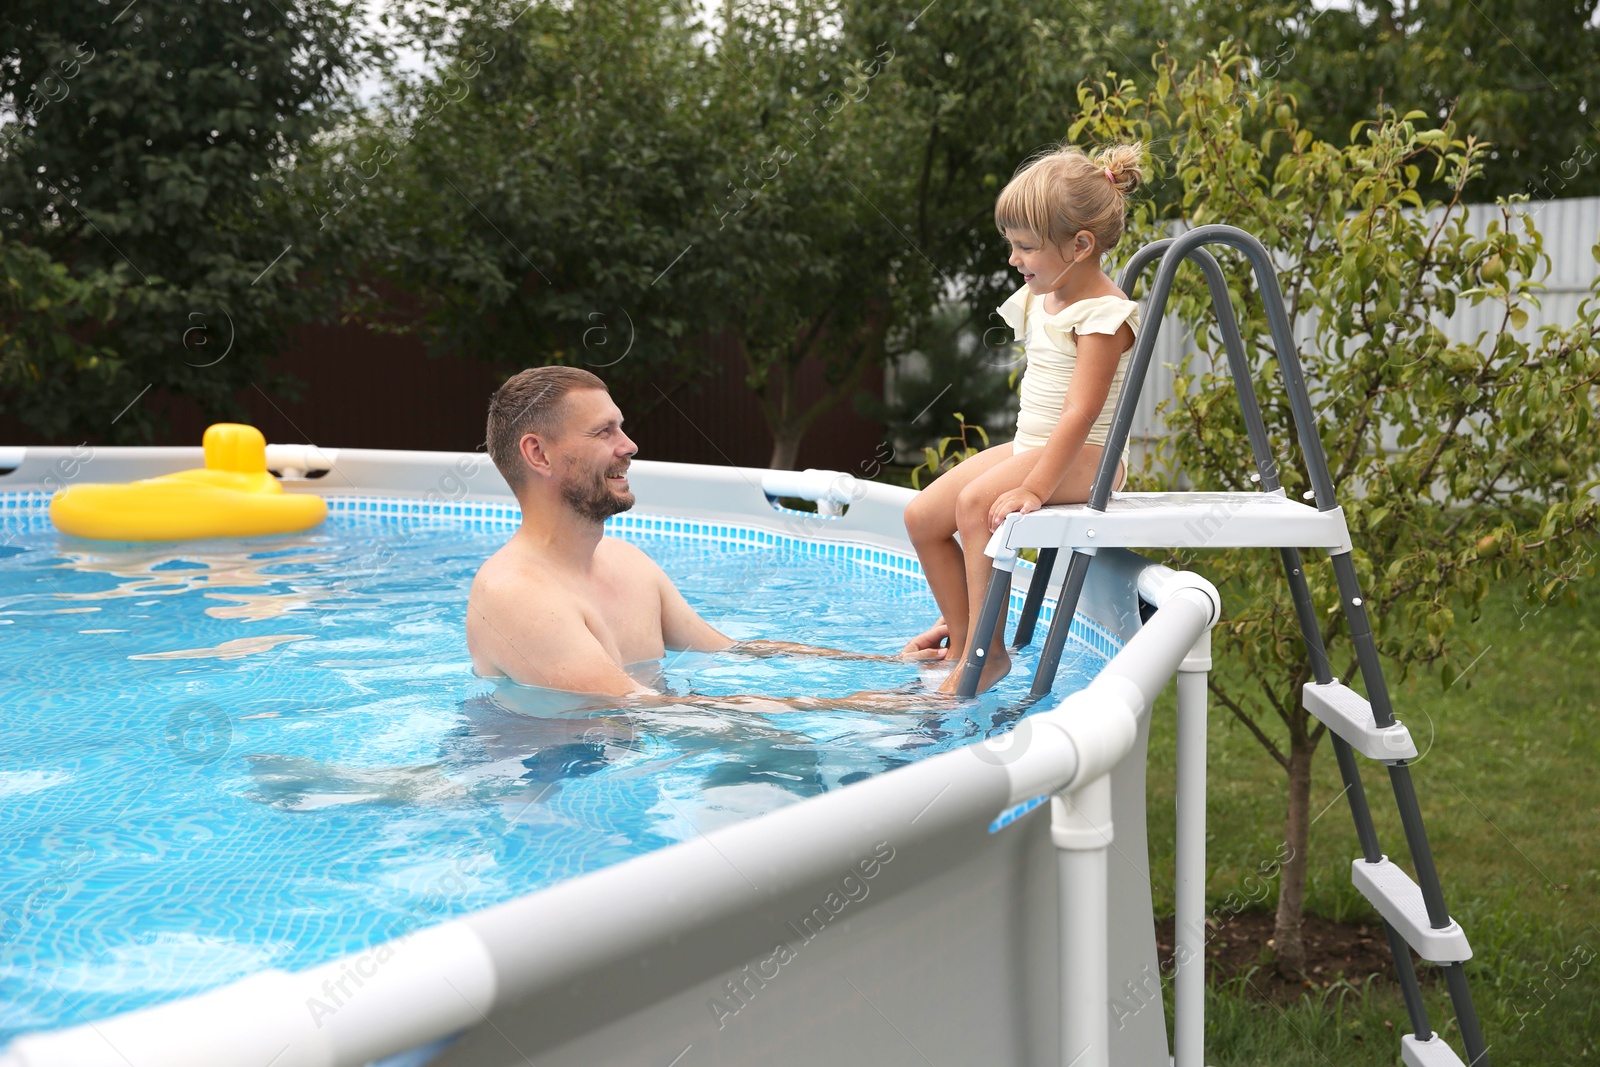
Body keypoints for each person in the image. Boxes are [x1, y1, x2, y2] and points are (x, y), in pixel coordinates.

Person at [466, 366, 942, 704]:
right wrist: (878, 705)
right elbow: (642, 710)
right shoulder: (515, 594)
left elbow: (734, 653)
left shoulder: (627, 562)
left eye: (622, 428)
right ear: (539, 455)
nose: (628, 446)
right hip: (544, 782)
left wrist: (888, 664)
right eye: (603, 432)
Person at [903, 143, 1145, 695]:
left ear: (1081, 245)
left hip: (1089, 460)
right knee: (922, 516)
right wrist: (1029, 470)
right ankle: (967, 644)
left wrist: (1034, 489)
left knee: (972, 504)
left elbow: (1082, 414)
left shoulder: (1103, 315)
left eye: (1025, 247)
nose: (1013, 260)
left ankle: (987, 656)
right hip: (1034, 446)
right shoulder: (1047, 294)